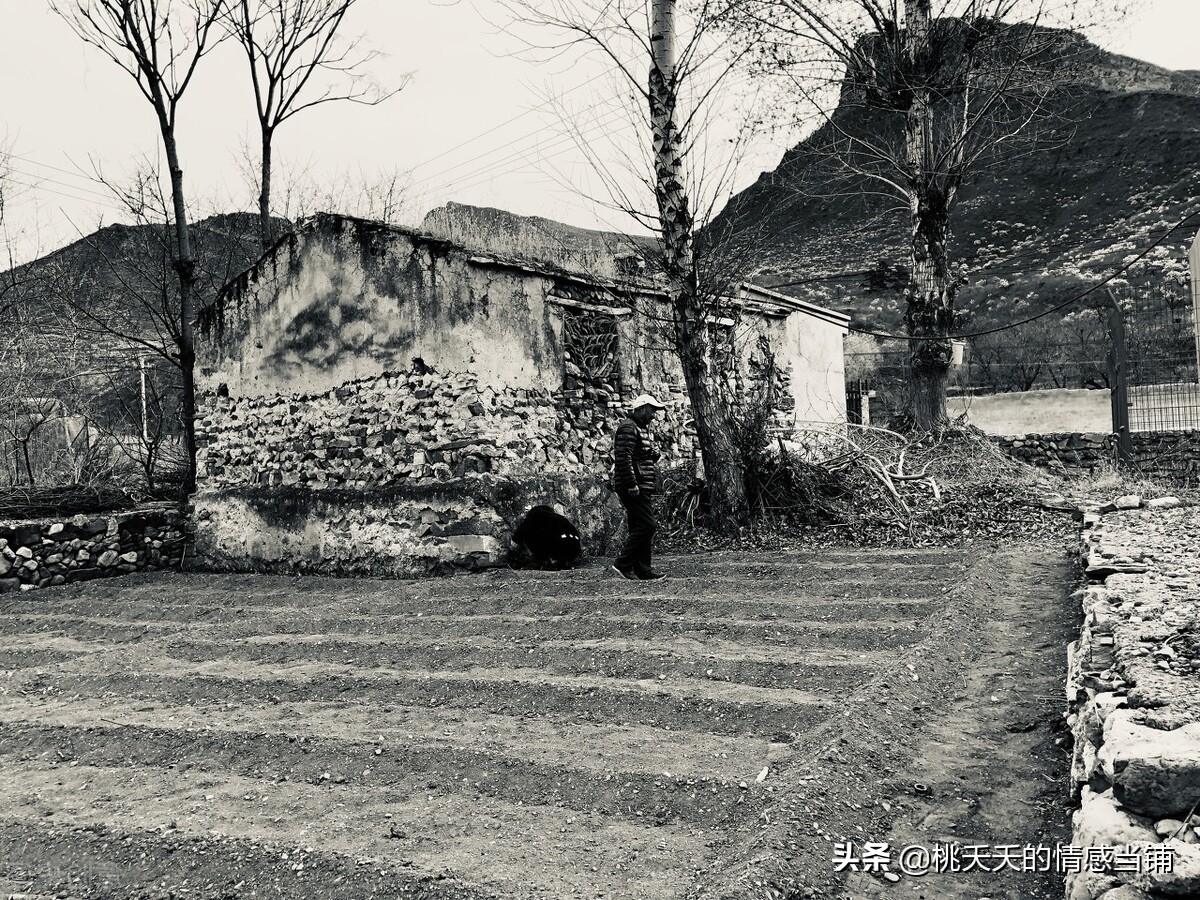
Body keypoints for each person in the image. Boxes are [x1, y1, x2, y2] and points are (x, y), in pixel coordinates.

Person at [611, 394, 667, 581]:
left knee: (638, 525)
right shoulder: (628, 427)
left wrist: (652, 454)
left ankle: (642, 570)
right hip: (635, 486)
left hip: (641, 484)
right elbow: (623, 458)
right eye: (652, 410)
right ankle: (622, 564)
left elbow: (637, 456)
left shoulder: (638, 428)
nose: (653, 415)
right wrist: (631, 484)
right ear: (642, 408)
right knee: (647, 525)